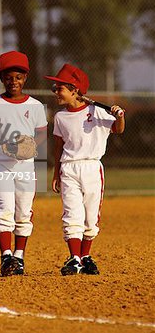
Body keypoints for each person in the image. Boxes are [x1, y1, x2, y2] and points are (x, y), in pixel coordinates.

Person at [45, 63, 125, 276]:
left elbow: (118, 129)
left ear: (74, 90)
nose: (55, 92)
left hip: (91, 167)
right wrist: (56, 173)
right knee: (72, 213)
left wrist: (119, 116)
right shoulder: (61, 116)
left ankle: (85, 256)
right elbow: (58, 146)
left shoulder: (97, 111)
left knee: (90, 217)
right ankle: (75, 258)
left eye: (59, 88)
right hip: (69, 168)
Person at [0, 51, 48, 276]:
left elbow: (41, 133)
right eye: (9, 77)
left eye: (18, 77)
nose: (14, 82)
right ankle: (6, 256)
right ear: (2, 78)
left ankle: (19, 257)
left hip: (26, 165)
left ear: (25, 78)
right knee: (5, 210)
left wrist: (29, 144)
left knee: (24, 212)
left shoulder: (36, 105)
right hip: (1, 164)